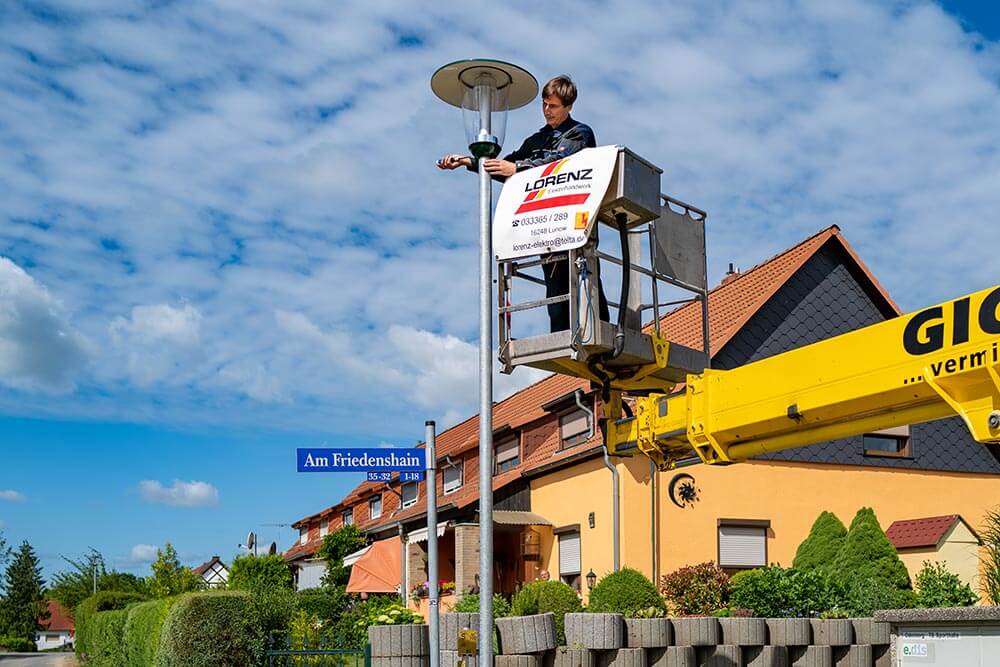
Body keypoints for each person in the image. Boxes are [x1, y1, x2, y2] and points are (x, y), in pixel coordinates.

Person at [438, 75, 609, 333]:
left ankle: (600, 335)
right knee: (556, 292)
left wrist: (517, 168)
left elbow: (555, 164)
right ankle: (563, 340)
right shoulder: (536, 140)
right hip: (546, 226)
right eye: (544, 104)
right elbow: (504, 166)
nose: (547, 111)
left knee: (585, 283)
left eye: (554, 106)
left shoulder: (579, 134)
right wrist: (466, 161)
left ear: (569, 106)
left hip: (574, 223)